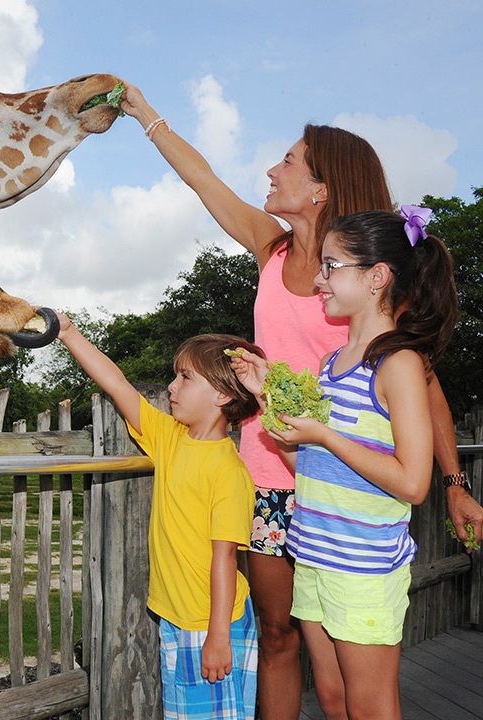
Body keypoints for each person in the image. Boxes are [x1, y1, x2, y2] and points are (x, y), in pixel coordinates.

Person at [119, 83, 483, 720]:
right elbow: (202, 180)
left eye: (287, 161)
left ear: (321, 188)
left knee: (344, 670)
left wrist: (454, 482)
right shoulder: (272, 248)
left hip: (339, 486)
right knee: (280, 635)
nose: (271, 169)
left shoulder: (363, 279)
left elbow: (424, 391)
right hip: (268, 476)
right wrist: (146, 115)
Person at [231, 208, 459, 719]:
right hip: (313, 555)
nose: (318, 278)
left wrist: (326, 435)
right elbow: (303, 462)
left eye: (331, 266)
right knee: (334, 700)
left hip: (362, 570)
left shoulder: (398, 363)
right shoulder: (333, 364)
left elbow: (414, 482)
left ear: (377, 277)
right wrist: (268, 397)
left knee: (372, 707)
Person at [55, 312, 262, 719]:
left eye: (186, 378)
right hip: (179, 618)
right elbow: (117, 384)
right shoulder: (170, 438)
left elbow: (226, 558)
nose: (171, 386)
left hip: (211, 622)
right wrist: (68, 333)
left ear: (222, 395)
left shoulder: (229, 472)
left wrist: (218, 636)